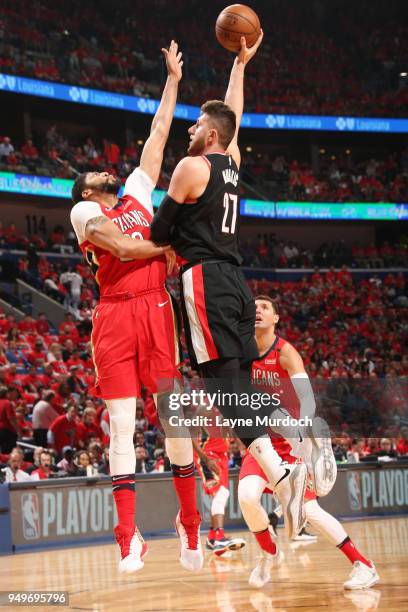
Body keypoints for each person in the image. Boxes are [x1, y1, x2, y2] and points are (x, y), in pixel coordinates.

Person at [151, 34, 309, 539]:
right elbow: (233, 114)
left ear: (210, 137)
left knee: (223, 385)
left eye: (197, 124)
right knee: (236, 381)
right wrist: (239, 66)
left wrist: (167, 239)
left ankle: (279, 470)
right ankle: (279, 461)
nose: (191, 128)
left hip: (204, 281)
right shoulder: (231, 163)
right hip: (236, 283)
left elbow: (157, 232)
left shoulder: (190, 166)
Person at [70, 42, 202, 574]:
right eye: (92, 174)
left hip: (154, 308)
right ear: (84, 191)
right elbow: (123, 250)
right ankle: (127, 536)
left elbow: (157, 136)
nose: (102, 173)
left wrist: (171, 81)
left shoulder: (137, 192)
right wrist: (167, 249)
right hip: (116, 314)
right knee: (121, 423)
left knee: (173, 421)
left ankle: (190, 525)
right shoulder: (83, 211)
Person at [237, 295, 379, 590]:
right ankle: (268, 553)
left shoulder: (285, 352)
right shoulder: (243, 352)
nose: (258, 311)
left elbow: (307, 400)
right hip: (261, 441)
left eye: (265, 307)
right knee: (246, 497)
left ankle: (364, 565)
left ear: (276, 318)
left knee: (311, 512)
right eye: (254, 308)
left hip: (289, 441)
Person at [193, 432, 245, 555]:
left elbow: (231, 428)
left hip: (222, 455)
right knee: (220, 494)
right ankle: (219, 538)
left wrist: (241, 447)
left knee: (222, 493)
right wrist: (204, 458)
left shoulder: (225, 414)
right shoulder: (200, 413)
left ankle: (212, 538)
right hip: (207, 455)